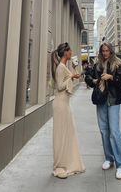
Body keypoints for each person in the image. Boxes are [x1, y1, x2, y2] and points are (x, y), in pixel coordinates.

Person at [85, 42, 121, 180]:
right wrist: (94, 80)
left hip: (113, 100)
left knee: (114, 131)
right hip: (101, 99)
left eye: (107, 50)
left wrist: (111, 77)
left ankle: (120, 165)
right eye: (103, 51)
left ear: (111, 51)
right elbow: (88, 77)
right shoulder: (97, 64)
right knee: (104, 130)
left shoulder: (117, 63)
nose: (105, 53)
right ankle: (109, 158)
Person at [51, 42, 85, 179]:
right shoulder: (60, 67)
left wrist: (75, 69)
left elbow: (76, 78)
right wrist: (71, 76)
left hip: (65, 104)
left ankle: (67, 163)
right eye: (70, 50)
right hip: (60, 104)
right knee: (61, 135)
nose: (72, 53)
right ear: (65, 52)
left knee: (68, 134)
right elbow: (59, 86)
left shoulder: (65, 66)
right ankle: (59, 166)